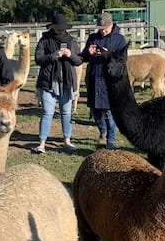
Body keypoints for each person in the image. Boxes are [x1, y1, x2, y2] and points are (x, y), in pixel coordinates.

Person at [33, 13, 82, 153]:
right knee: (47, 112)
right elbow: (38, 59)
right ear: (52, 27)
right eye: (57, 28)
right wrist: (54, 55)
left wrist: (70, 55)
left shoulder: (71, 41)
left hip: (66, 82)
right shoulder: (45, 40)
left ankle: (67, 141)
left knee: (66, 112)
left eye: (62, 28)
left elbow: (78, 61)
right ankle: (42, 143)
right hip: (48, 82)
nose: (60, 31)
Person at [81, 12, 127, 147]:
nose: (102, 31)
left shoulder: (120, 40)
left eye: (105, 28)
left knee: (108, 111)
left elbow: (123, 60)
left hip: (109, 80)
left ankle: (111, 140)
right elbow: (84, 58)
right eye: (100, 29)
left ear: (111, 25)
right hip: (94, 77)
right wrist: (88, 53)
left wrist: (108, 54)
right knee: (95, 110)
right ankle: (103, 131)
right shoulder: (93, 38)